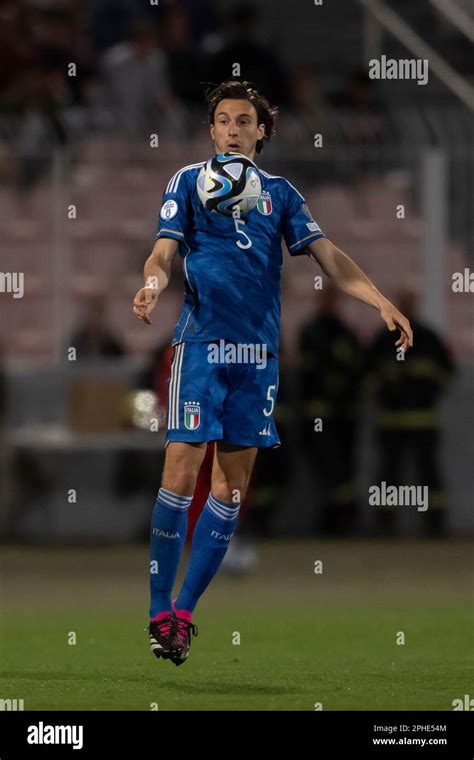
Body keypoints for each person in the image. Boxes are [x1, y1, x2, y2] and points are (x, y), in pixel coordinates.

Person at [132, 79, 413, 667]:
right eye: (223, 121)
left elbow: (327, 255)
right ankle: (158, 609)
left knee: (231, 489)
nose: (233, 129)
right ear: (211, 131)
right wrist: (153, 282)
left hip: (256, 357)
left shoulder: (282, 193)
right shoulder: (186, 182)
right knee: (183, 473)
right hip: (203, 347)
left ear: (262, 131)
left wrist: (379, 299)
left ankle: (183, 614)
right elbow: (162, 249)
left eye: (244, 121)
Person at [365, 286, 455, 537]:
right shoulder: (383, 339)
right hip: (391, 422)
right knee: (389, 474)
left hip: (423, 422)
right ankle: (384, 523)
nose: (407, 307)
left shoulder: (429, 338)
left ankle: (435, 524)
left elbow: (447, 374)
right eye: (403, 301)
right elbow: (368, 377)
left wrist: (427, 389)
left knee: (428, 474)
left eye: (411, 302)